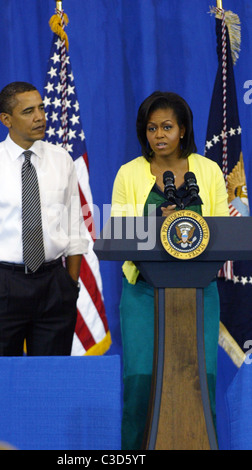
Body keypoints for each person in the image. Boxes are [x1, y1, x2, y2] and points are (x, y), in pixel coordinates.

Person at [111, 91, 229, 450]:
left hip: (197, 292)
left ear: (183, 130)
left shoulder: (207, 170)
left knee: (199, 379)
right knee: (141, 383)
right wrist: (153, 221)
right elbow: (118, 232)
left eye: (166, 127)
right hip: (143, 292)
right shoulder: (129, 173)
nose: (158, 135)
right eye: (151, 128)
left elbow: (223, 229)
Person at [0, 81, 88, 357]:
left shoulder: (62, 160)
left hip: (54, 284)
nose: (40, 117)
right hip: (3, 285)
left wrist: (69, 285)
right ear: (6, 119)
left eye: (41, 108)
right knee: (3, 381)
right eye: (28, 111)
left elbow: (75, 229)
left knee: (50, 380)